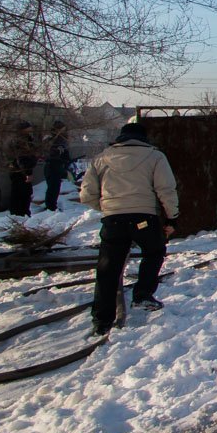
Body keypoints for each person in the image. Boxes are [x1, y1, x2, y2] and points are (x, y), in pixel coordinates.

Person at [80, 121, 179, 336]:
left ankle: (102, 319)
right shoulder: (155, 157)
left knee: (108, 269)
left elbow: (86, 194)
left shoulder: (101, 158)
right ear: (144, 138)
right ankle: (142, 294)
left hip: (113, 220)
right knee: (154, 251)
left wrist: (109, 208)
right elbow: (166, 189)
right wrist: (172, 218)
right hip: (144, 219)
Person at [7, 121, 38, 217]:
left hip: (17, 170)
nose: (31, 130)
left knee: (20, 193)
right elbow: (22, 158)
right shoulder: (21, 141)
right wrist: (27, 173)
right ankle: (21, 215)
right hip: (20, 172)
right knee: (22, 194)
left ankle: (20, 214)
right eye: (28, 128)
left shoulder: (21, 139)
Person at [44, 120, 72, 211]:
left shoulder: (62, 139)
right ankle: (50, 207)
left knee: (55, 188)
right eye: (62, 129)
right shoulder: (52, 139)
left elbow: (65, 153)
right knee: (52, 187)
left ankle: (52, 206)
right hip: (52, 165)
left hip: (58, 165)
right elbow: (51, 153)